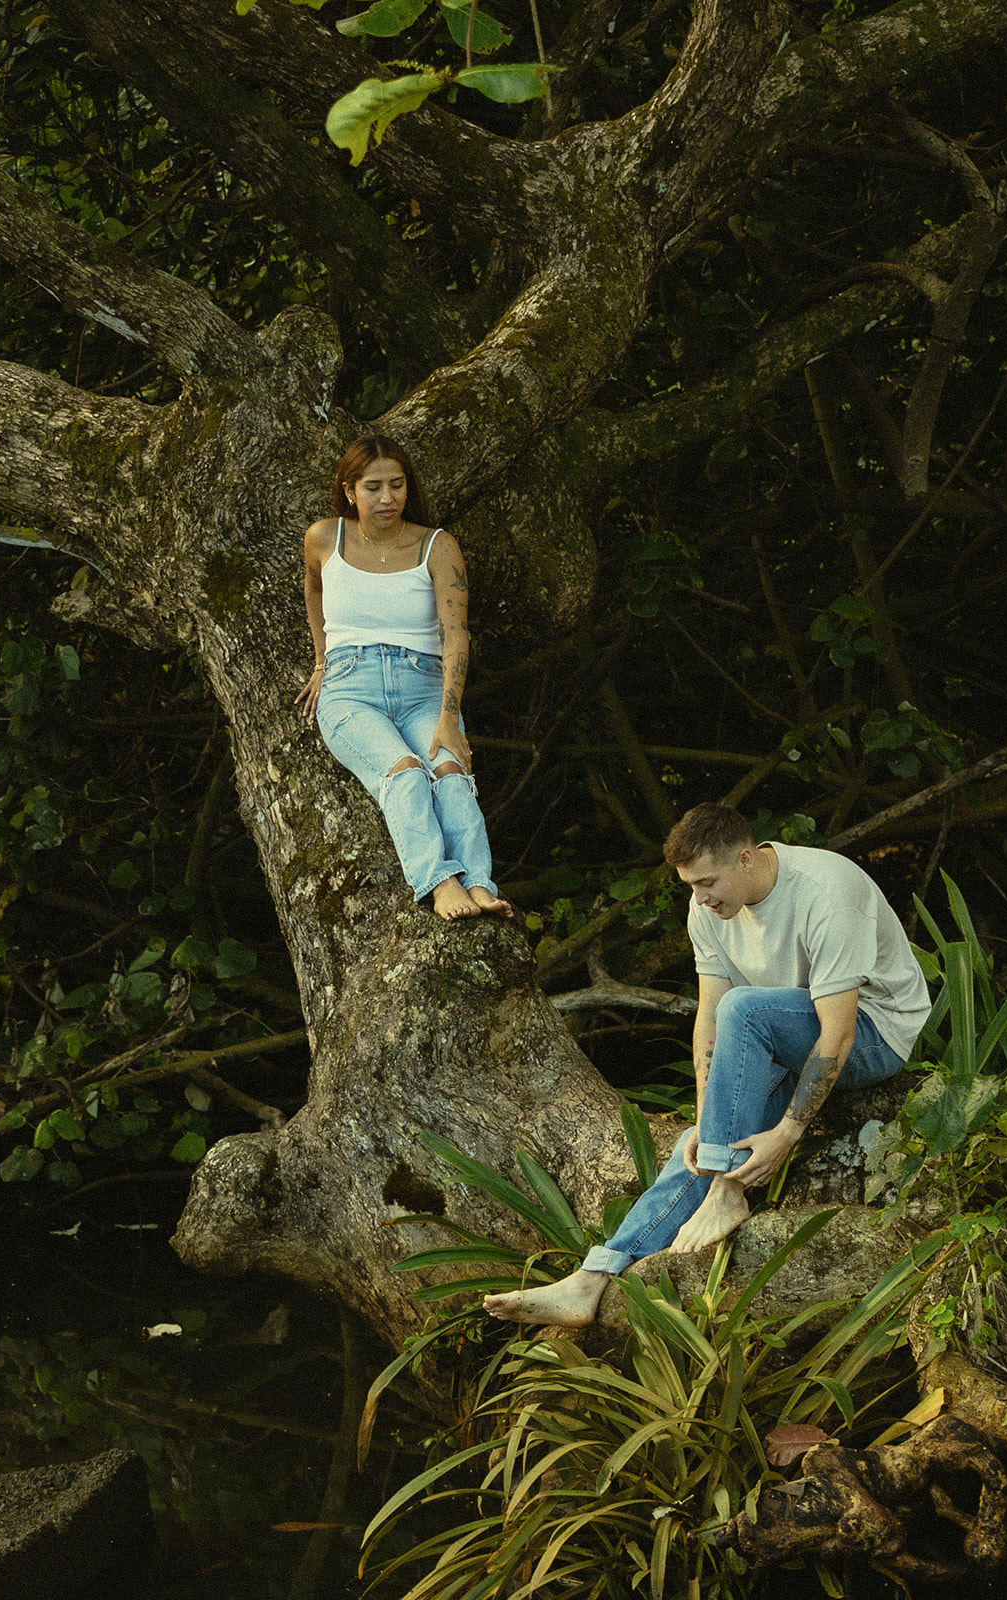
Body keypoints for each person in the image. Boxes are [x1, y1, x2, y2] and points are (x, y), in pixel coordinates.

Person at [484, 801, 930, 1326]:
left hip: (875, 1035)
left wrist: (786, 1134)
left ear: (746, 860)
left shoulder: (827, 892)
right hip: (784, 1034)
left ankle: (727, 1192)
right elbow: (708, 1020)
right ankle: (593, 1277)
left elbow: (838, 1028)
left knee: (744, 1007)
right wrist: (706, 1116)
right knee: (699, 1141)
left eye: (706, 882)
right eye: (690, 886)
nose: (699, 898)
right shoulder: (709, 908)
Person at [295, 433, 510, 921]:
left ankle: (478, 883)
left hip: (422, 687)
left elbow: (456, 637)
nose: (387, 498)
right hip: (351, 689)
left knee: (451, 774)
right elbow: (313, 592)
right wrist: (321, 661)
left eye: (397, 485)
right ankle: (438, 882)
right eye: (373, 487)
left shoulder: (437, 546)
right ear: (350, 490)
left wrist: (449, 719)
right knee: (408, 774)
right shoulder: (325, 537)